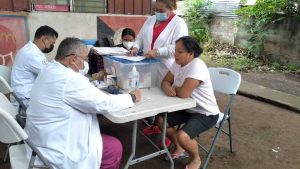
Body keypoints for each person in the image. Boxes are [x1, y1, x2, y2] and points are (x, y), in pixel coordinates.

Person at [24, 37, 141, 169]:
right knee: (114, 147)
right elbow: (104, 103)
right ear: (73, 59)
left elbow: (79, 93)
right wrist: (131, 97)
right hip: (56, 148)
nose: (85, 64)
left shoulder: (50, 68)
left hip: (41, 139)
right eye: (84, 59)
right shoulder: (68, 79)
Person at [156, 36, 220, 169]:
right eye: (175, 51)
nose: (175, 54)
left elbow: (184, 93)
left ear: (191, 53)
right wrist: (168, 86)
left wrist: (173, 87)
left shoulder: (197, 66)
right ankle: (179, 147)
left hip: (205, 112)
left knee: (183, 135)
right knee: (160, 120)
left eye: (180, 52)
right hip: (187, 108)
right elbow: (165, 81)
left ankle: (195, 159)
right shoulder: (177, 63)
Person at [130, 0, 188, 84]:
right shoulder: (150, 19)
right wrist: (136, 47)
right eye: (155, 9)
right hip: (146, 65)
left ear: (170, 9)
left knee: (160, 91)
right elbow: (141, 37)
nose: (157, 13)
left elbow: (178, 48)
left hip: (165, 68)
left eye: (161, 11)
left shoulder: (179, 24)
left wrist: (158, 52)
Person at [11, 25, 58, 107]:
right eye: (52, 43)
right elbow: (51, 75)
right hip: (25, 99)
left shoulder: (29, 49)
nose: (51, 46)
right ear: (44, 39)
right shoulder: (33, 54)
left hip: (24, 94)